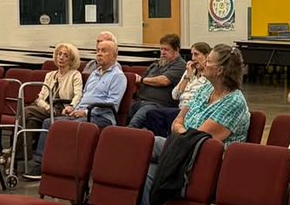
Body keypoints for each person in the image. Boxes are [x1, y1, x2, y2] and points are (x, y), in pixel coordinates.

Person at [140, 44, 250, 205]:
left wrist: (181, 131)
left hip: (206, 161)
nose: (204, 62)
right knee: (149, 168)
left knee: (147, 144)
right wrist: (183, 131)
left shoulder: (234, 102)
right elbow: (178, 120)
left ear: (220, 70)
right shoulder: (206, 88)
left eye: (209, 61)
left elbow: (199, 140)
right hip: (183, 150)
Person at [24, 40, 126, 179]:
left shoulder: (118, 76)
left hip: (101, 117)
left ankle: (54, 165)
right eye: (98, 51)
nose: (99, 54)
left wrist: (84, 112)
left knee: (59, 124)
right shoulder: (94, 74)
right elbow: (83, 97)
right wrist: (73, 108)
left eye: (104, 51)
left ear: (114, 55)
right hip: (83, 112)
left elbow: (112, 104)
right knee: (49, 122)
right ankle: (42, 164)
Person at [18, 43, 83, 157]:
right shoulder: (50, 75)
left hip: (61, 108)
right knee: (30, 122)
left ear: (71, 59)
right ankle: (22, 155)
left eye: (66, 55)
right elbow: (41, 97)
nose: (61, 57)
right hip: (46, 108)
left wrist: (71, 106)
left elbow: (78, 95)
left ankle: (13, 151)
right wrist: (47, 107)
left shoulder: (75, 75)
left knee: (26, 111)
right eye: (59, 54)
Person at [126, 34, 187, 129]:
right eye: (161, 49)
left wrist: (142, 80)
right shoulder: (156, 65)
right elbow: (140, 80)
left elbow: (164, 81)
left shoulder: (180, 65)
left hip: (158, 105)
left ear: (177, 50)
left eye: (166, 49)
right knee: (120, 114)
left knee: (134, 123)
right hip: (140, 101)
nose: (162, 52)